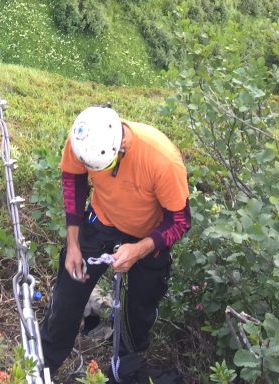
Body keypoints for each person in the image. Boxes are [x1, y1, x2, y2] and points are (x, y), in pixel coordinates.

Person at [41, 105, 191, 383]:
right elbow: (73, 180)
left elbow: (180, 221)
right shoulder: (84, 138)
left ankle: (125, 370)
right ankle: (42, 364)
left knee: (139, 308)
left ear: (121, 145)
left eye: (106, 167)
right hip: (102, 221)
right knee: (67, 296)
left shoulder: (161, 160)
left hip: (149, 233)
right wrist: (73, 244)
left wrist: (140, 248)